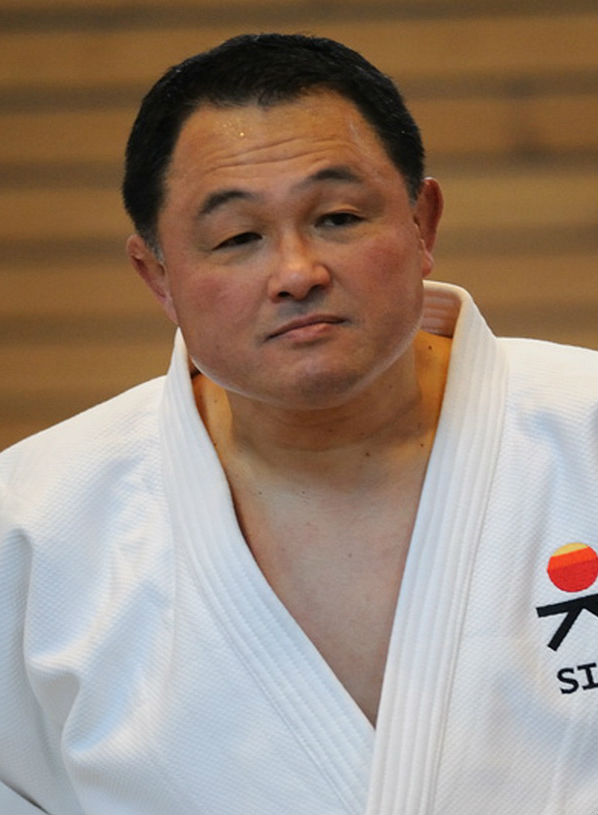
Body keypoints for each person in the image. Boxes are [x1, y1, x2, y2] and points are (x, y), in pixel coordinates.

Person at [0, 33, 595, 815]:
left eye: (338, 217)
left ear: (423, 223)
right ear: (158, 275)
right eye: (238, 237)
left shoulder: (584, 430)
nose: (297, 272)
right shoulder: (35, 531)